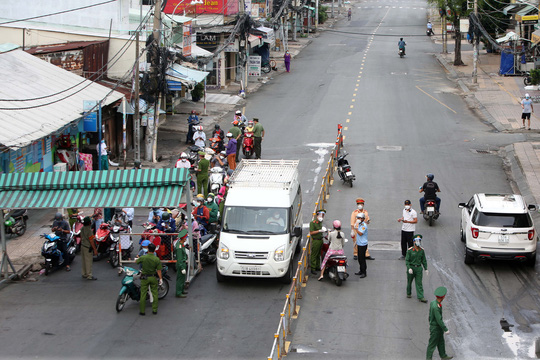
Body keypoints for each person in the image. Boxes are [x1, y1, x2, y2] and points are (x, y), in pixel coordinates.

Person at [135, 243, 163, 315]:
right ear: (154, 250)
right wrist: (160, 279)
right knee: (155, 294)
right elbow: (159, 270)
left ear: (148, 249)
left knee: (143, 294)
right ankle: (154, 310)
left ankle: (142, 311)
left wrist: (137, 258)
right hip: (153, 277)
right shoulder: (156, 259)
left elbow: (136, 261)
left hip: (144, 278)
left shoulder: (143, 257)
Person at [427, 287, 453, 360]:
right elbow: (439, 320)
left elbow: (429, 315)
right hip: (436, 328)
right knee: (432, 344)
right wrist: (445, 329)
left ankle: (443, 356)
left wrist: (431, 322)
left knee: (441, 342)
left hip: (436, 327)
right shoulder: (436, 307)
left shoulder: (433, 303)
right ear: (443, 296)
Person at [405, 234, 428, 302]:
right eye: (416, 241)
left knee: (419, 283)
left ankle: (421, 296)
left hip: (418, 268)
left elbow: (424, 260)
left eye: (419, 241)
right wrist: (409, 268)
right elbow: (407, 260)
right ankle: (408, 293)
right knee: (409, 282)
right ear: (414, 242)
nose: (418, 242)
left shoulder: (421, 251)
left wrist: (426, 268)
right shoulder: (410, 250)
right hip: (411, 268)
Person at [309, 209, 326, 275]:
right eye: (321, 215)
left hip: (320, 240)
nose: (322, 217)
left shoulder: (320, 222)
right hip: (316, 240)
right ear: (317, 215)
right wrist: (319, 231)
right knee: (314, 254)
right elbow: (311, 232)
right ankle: (313, 268)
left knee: (319, 254)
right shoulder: (312, 223)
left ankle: (317, 266)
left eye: (323, 215)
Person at [80, 216, 98, 280]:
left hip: (83, 246)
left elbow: (81, 237)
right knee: (88, 262)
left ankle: (84, 273)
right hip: (88, 247)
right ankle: (89, 275)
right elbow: (91, 241)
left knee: (84, 261)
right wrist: (95, 249)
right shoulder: (89, 230)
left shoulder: (82, 229)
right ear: (89, 223)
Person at [175, 229, 189, 298]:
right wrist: (182, 267)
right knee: (180, 279)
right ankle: (178, 292)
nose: (186, 238)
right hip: (181, 264)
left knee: (182, 278)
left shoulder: (181, 244)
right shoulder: (179, 247)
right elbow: (179, 259)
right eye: (186, 237)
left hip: (183, 263)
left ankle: (181, 290)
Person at [354, 212, 368, 277]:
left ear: (363, 219)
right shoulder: (359, 224)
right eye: (358, 218)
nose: (359, 219)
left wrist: (356, 229)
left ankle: (364, 272)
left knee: (362, 259)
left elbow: (360, 234)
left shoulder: (363, 225)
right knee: (359, 258)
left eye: (360, 218)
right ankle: (361, 270)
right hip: (359, 243)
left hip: (363, 244)